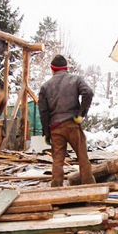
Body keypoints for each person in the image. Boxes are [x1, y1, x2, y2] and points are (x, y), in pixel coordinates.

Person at [38, 55, 96, 187]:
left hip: (55, 127)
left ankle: (56, 185)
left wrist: (47, 133)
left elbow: (43, 112)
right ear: (66, 68)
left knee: (57, 159)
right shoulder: (76, 80)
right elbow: (88, 92)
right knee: (82, 156)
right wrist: (81, 113)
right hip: (72, 124)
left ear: (52, 69)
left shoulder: (45, 87)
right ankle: (89, 185)